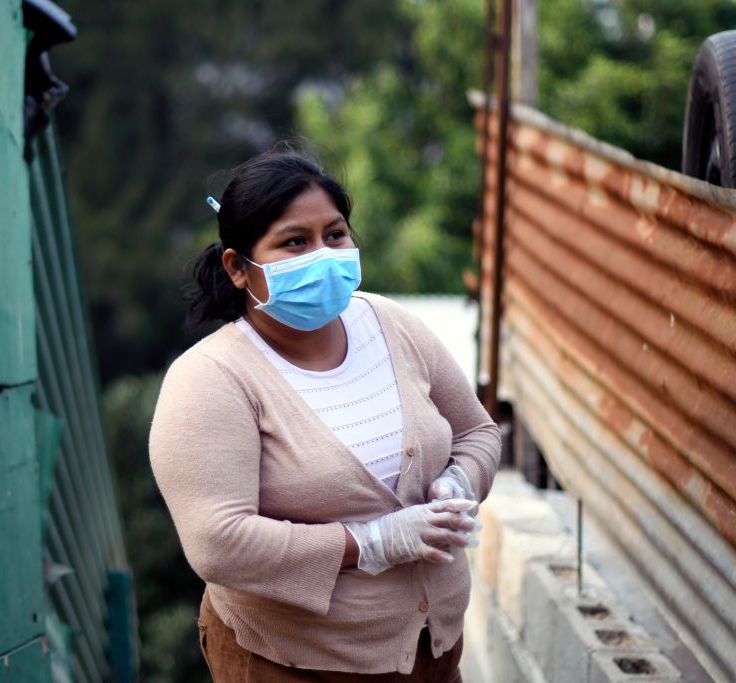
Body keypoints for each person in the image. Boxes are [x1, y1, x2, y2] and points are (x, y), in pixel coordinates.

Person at [149, 147, 502, 682]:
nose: (323, 255)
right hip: (295, 662)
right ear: (238, 268)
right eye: (295, 242)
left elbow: (476, 430)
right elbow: (219, 543)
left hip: (433, 652)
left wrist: (460, 482)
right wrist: (370, 543)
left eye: (335, 235)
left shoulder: (392, 324)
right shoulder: (212, 379)